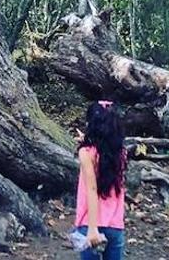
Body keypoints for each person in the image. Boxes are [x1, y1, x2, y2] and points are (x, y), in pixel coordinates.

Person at [73, 100, 127, 259]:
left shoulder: (85, 153)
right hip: (115, 226)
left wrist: (92, 228)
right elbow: (103, 150)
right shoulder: (120, 152)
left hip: (89, 225)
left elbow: (92, 189)